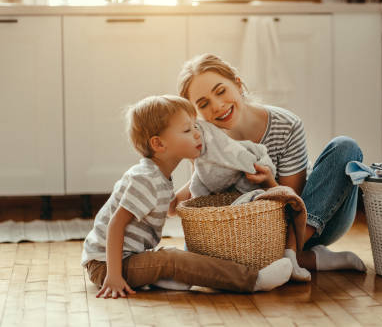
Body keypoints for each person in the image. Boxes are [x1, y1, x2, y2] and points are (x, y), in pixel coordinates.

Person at [81, 95, 292, 299]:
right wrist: (114, 276)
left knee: (170, 258)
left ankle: (162, 277)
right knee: (171, 258)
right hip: (107, 264)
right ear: (159, 144)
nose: (197, 134)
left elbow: (171, 208)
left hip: (124, 258)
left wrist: (200, 180)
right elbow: (116, 224)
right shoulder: (145, 180)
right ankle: (253, 280)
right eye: (187, 130)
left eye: (195, 127)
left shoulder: (159, 176)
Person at [178, 54, 367, 273]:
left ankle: (290, 253)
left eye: (221, 91)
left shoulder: (286, 125)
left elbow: (294, 204)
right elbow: (206, 199)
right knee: (197, 251)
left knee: (346, 147)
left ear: (238, 84)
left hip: (306, 225)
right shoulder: (204, 139)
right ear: (196, 113)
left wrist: (268, 181)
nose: (218, 106)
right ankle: (303, 260)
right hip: (243, 237)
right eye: (204, 104)